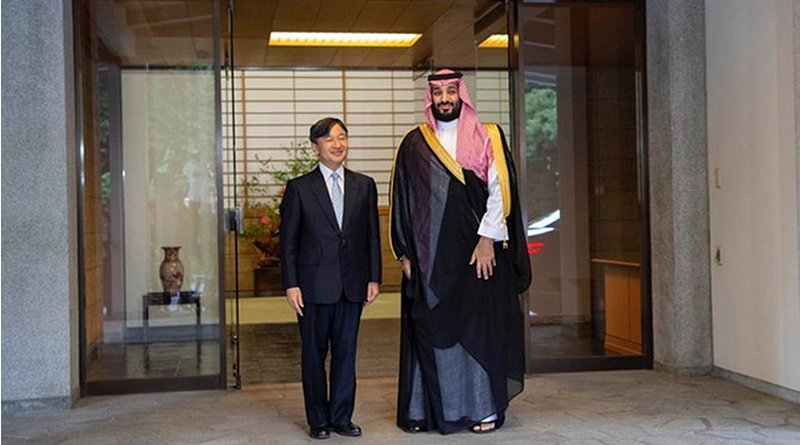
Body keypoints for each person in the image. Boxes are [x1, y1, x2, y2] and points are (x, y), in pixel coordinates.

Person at [390, 70, 531, 435]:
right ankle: (430, 410)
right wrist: (405, 252)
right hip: (432, 258)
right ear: (430, 98)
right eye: (437, 93)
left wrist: (486, 240)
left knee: (478, 329)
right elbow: (403, 200)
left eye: (451, 91)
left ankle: (484, 408)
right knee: (433, 328)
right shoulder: (415, 143)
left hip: (477, 255)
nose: (444, 99)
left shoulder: (488, 136)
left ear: (461, 95)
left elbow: (501, 191)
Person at [280, 117, 382, 440]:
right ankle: (318, 420)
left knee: (346, 354)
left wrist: (374, 278)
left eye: (342, 137)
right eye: (329, 139)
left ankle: (341, 417)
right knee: (313, 355)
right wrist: (291, 283)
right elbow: (289, 242)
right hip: (312, 288)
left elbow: (372, 238)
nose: (337, 144)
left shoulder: (364, 185)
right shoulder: (299, 188)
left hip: (352, 286)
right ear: (315, 147)